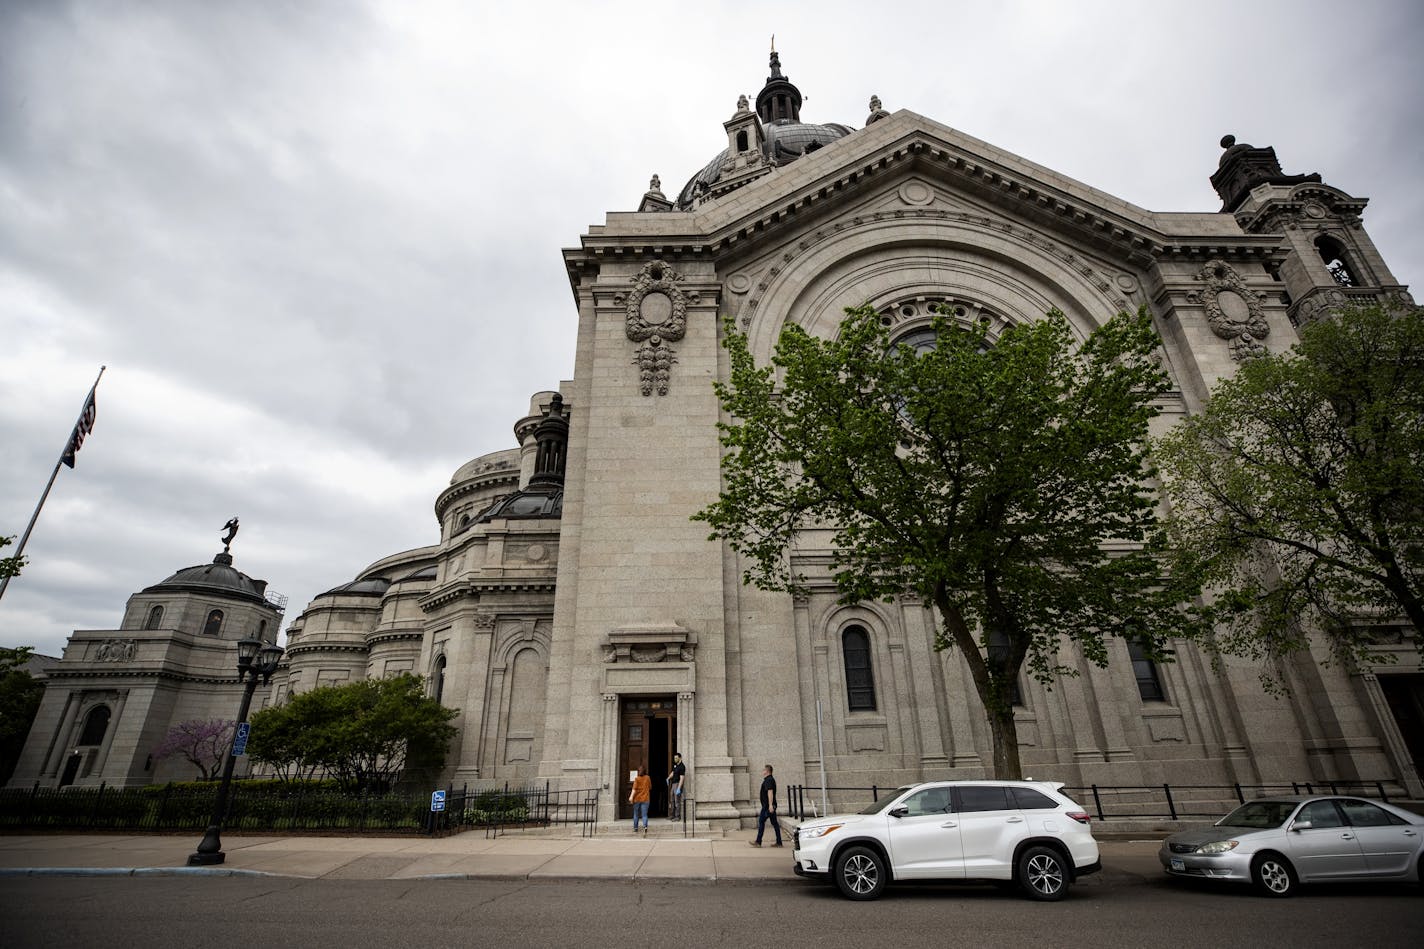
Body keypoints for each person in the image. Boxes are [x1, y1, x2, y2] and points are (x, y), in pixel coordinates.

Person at [750, 763, 782, 847]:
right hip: (770, 806)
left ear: (767, 771)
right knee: (775, 823)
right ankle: (779, 842)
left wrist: (770, 805)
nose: (762, 772)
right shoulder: (770, 779)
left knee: (761, 821)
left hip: (767, 807)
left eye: (764, 770)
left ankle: (758, 841)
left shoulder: (768, 780)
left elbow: (770, 792)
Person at [629, 766, 651, 834]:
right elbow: (650, 787)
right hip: (645, 798)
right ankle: (645, 826)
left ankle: (635, 828)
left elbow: (634, 789)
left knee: (636, 814)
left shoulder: (637, 779)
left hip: (637, 799)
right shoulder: (648, 778)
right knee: (644, 815)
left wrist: (631, 797)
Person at [667, 752, 686, 820]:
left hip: (677, 784)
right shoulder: (676, 765)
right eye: (674, 758)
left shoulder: (682, 766)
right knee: (672, 800)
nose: (675, 759)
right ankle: (672, 815)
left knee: (677, 801)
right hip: (673, 784)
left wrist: (679, 788)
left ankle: (677, 816)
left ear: (680, 758)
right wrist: (668, 778)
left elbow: (682, 778)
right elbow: (673, 773)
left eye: (676, 758)